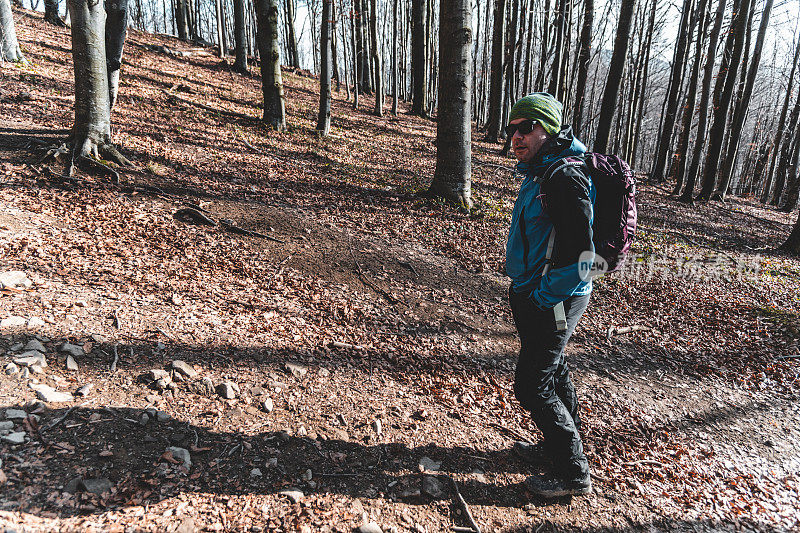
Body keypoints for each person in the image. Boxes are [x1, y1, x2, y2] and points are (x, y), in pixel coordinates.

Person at [505, 92, 595, 498]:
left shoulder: (564, 176)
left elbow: (584, 255)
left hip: (555, 297)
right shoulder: (538, 171)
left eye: (527, 127)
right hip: (535, 292)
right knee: (553, 369)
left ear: (549, 128)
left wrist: (545, 296)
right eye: (513, 128)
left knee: (531, 384)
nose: (517, 136)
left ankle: (573, 473)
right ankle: (558, 448)